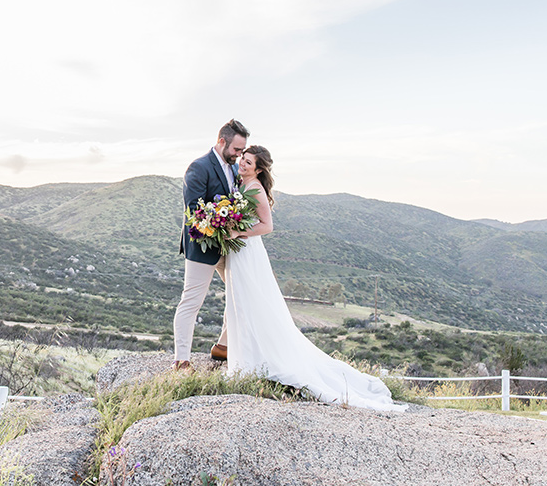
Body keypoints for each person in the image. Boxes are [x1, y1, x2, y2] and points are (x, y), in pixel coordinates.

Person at [225, 145, 406, 412]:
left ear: (259, 168)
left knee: (252, 302)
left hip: (248, 251)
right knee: (241, 302)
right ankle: (246, 360)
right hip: (240, 252)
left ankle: (254, 361)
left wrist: (237, 233)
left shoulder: (254, 189)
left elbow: (267, 225)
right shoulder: (243, 183)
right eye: (242, 159)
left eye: (248, 162)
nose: (242, 163)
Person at [173, 119, 249, 370]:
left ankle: (223, 346)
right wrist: (221, 223)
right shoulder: (199, 167)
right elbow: (193, 209)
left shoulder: (234, 169)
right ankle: (181, 360)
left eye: (242, 151)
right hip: (202, 246)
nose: (239, 155)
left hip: (227, 247)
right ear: (221, 142)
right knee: (191, 302)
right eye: (237, 150)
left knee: (241, 294)